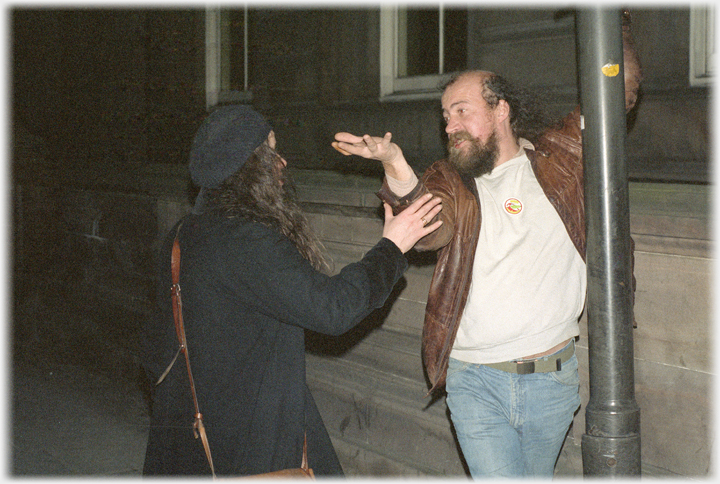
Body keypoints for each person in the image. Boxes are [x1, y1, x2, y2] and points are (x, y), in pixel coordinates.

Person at [331, 11, 641, 478]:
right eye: (444, 115)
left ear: (501, 111)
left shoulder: (562, 156)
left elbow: (619, 92)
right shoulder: (450, 181)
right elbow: (428, 227)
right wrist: (393, 161)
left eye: (461, 110)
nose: (449, 124)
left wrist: (613, 24)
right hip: (476, 381)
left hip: (553, 382)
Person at [141, 104, 443, 476]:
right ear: (248, 166)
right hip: (248, 441)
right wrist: (391, 247)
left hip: (198, 431)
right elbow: (333, 309)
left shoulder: (184, 233)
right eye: (271, 151)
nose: (282, 162)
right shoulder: (245, 239)